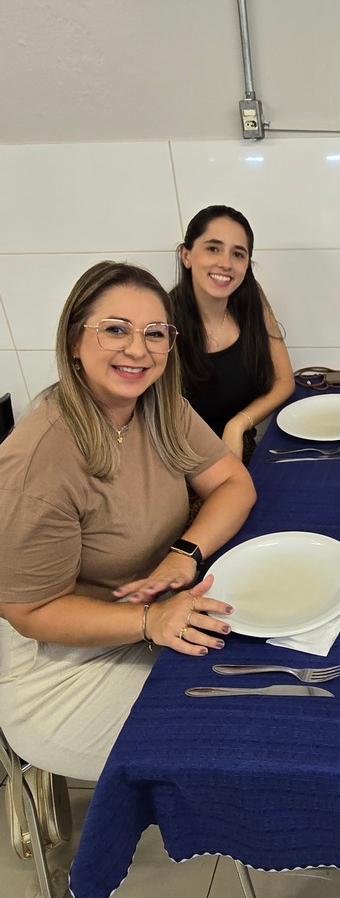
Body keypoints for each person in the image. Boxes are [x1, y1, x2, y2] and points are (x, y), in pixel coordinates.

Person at [0, 261, 256, 781]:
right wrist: (148, 621)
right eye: (116, 329)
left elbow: (235, 484)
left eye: (154, 333)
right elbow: (29, 612)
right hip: (62, 668)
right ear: (75, 341)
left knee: (263, 682)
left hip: (156, 615)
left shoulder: (159, 406)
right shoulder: (38, 461)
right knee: (231, 737)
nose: (138, 350)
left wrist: (183, 554)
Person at [170, 204, 295, 461]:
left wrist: (238, 424)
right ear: (186, 255)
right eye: (213, 248)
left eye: (238, 254)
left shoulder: (252, 299)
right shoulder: (162, 320)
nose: (226, 263)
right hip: (182, 462)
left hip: (240, 452)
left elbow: (284, 381)